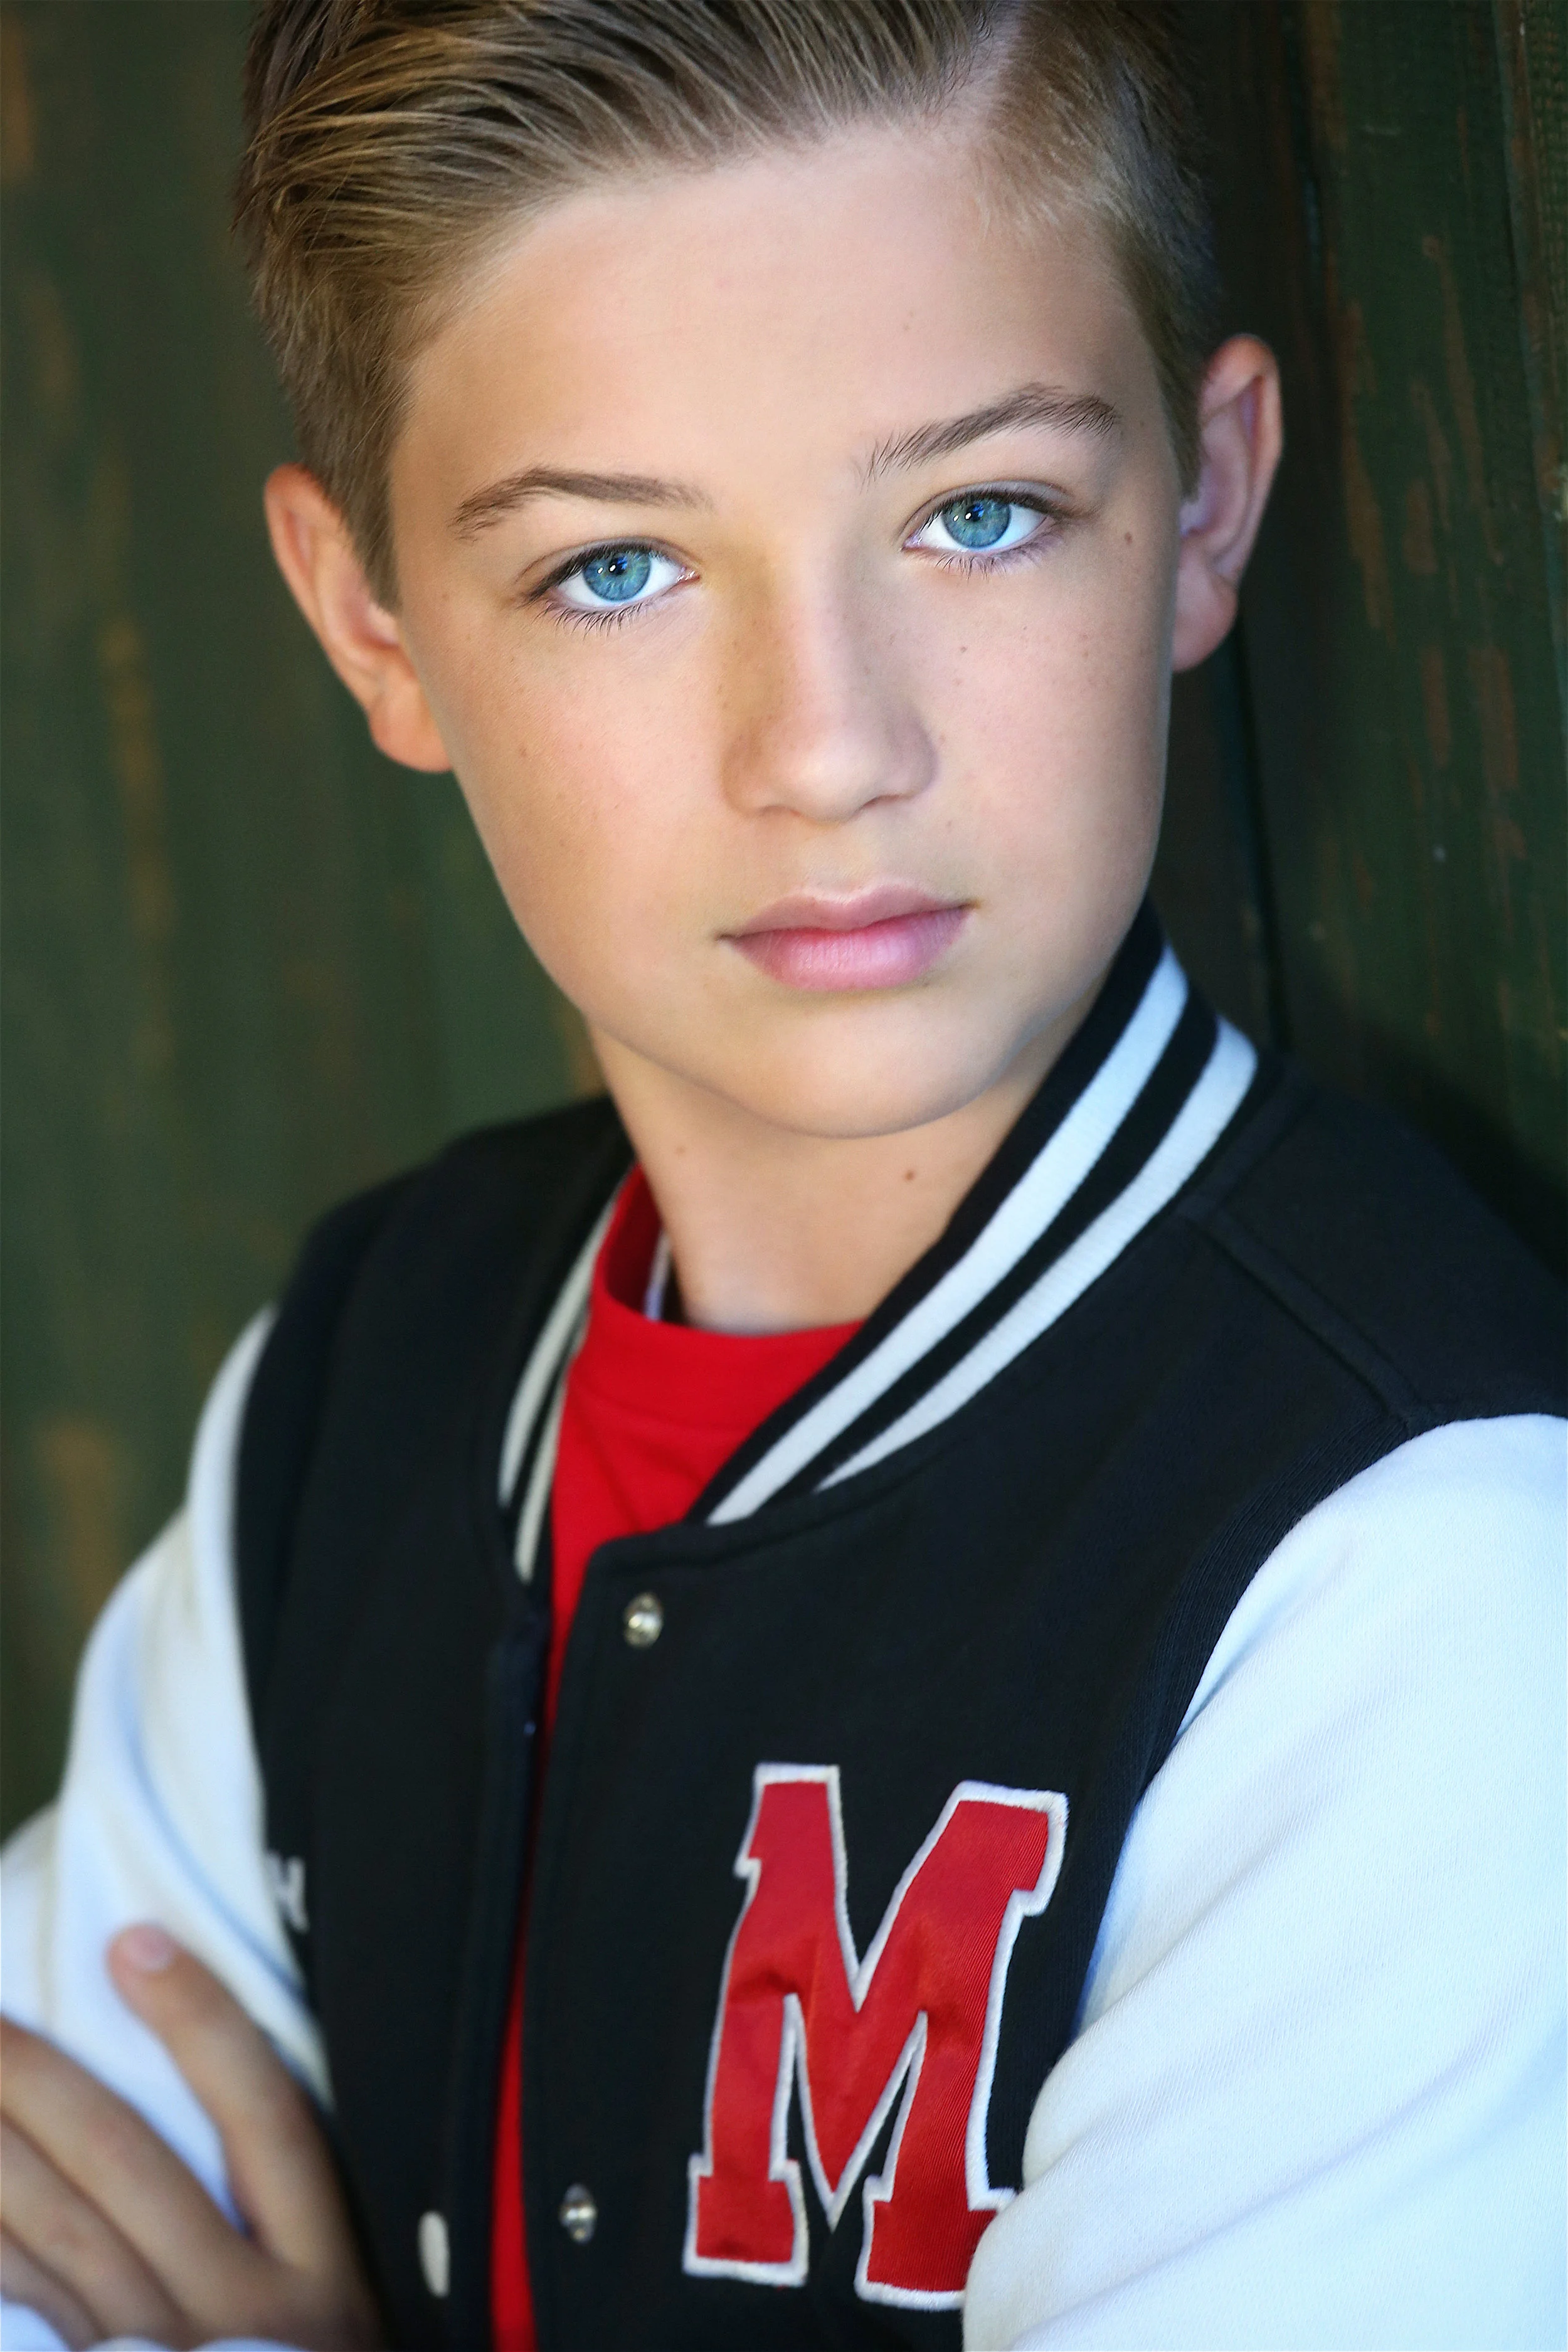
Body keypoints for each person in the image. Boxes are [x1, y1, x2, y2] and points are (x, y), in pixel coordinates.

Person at [2, 3, 1563, 2348]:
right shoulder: (361, 1384)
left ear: (1206, 503)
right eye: (615, 570)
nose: (826, 746)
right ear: (374, 626)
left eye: (978, 513)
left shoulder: (1413, 1575)